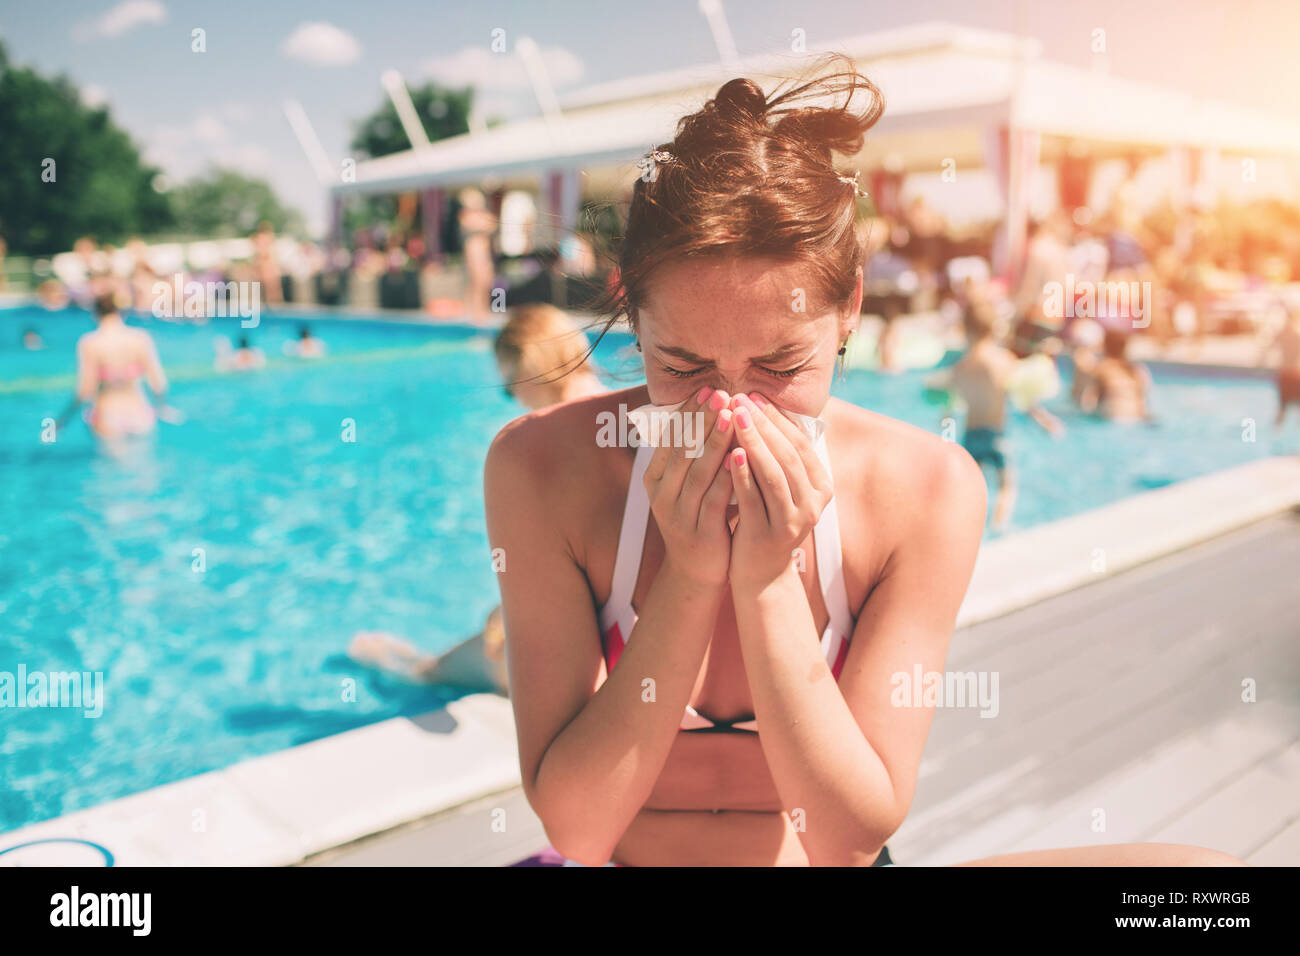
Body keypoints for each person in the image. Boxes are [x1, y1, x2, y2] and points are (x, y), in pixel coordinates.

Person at [484, 60, 1241, 867]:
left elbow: (848, 837)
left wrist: (769, 587)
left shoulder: (925, 489)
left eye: (780, 366)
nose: (732, 410)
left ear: (848, 311)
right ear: (632, 310)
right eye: (684, 365)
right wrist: (691, 578)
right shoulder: (541, 468)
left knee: (1203, 887)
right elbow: (579, 831)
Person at [348, 304, 605, 693]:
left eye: (509, 383)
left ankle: (396, 662)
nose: (513, 397)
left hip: (581, 660)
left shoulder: (545, 439)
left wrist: (503, 616)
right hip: (636, 645)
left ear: (531, 363)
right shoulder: (626, 413)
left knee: (430, 674)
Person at [945, 296, 1063, 532]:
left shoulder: (960, 368)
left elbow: (949, 409)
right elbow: (1021, 398)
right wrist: (1045, 421)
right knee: (1007, 487)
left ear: (965, 329)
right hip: (995, 436)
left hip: (970, 437)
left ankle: (965, 529)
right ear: (996, 328)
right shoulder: (1002, 361)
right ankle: (999, 527)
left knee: (971, 492)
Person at [56, 291, 174, 441]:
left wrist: (63, 419)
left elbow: (85, 391)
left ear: (95, 313)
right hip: (140, 414)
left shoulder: (90, 343)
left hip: (107, 416)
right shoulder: (141, 338)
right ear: (121, 311)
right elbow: (158, 384)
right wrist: (162, 407)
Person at [1078, 327, 1154, 423]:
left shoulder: (1100, 368)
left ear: (1105, 346)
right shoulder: (1137, 370)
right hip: (1137, 416)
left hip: (1113, 415)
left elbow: (1086, 403)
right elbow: (1145, 398)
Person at [458, 188, 498, 324]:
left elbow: (492, 224)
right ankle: (473, 313)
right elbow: (487, 224)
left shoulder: (478, 215)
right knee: (476, 283)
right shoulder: (466, 215)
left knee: (486, 282)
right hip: (474, 254)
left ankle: (483, 311)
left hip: (484, 254)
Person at [1260, 305, 1300, 426]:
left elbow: (1267, 350)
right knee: (1287, 406)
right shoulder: (1295, 335)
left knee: (1282, 407)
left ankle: (1276, 430)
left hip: (1286, 374)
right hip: (1293, 374)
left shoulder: (1284, 334)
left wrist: (1261, 362)